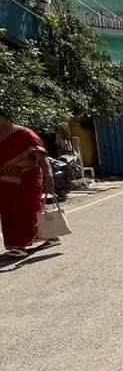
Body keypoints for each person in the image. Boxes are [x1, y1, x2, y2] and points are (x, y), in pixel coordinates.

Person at [0, 109, 55, 260]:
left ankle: (20, 245)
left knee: (28, 209)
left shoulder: (25, 134)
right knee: (8, 211)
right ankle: (50, 236)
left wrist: (48, 175)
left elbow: (42, 157)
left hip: (27, 178)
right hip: (4, 181)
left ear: (6, 118)